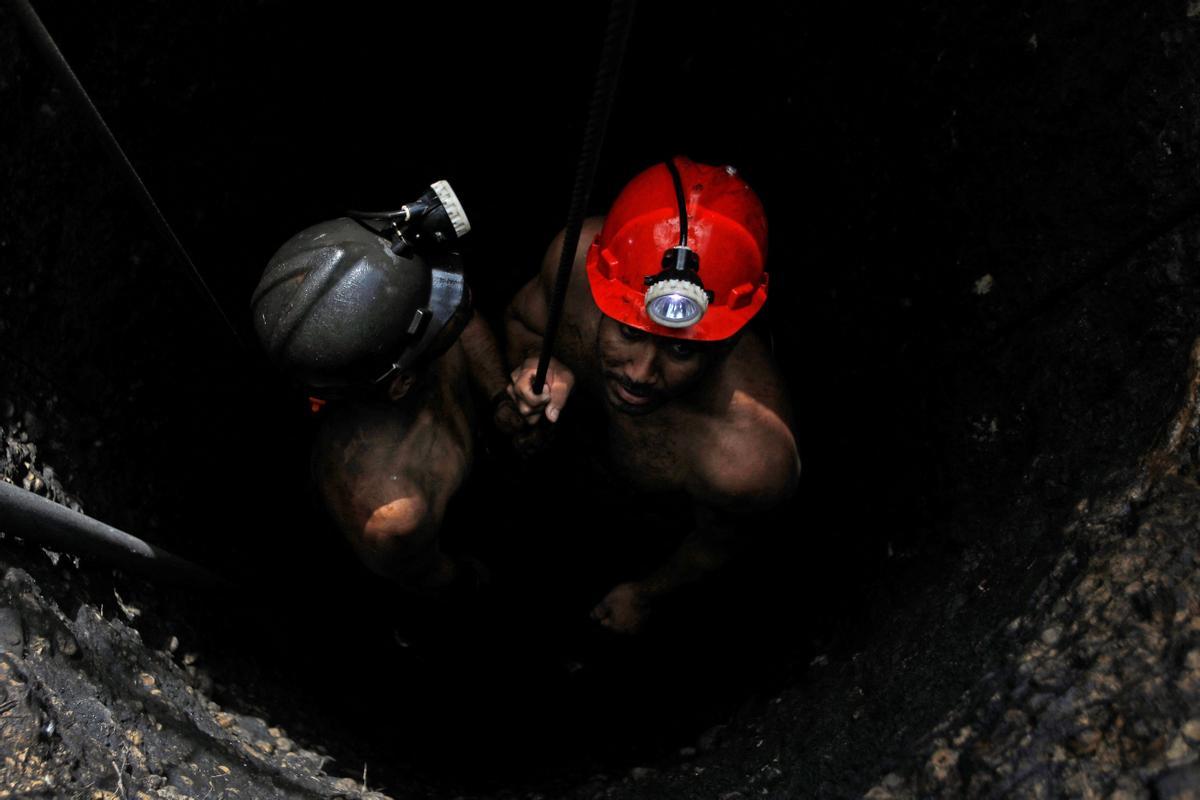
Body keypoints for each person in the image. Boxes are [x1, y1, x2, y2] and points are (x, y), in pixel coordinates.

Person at [505, 157, 800, 634]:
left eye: (682, 348)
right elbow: (520, 321)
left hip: (647, 523)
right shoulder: (576, 266)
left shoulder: (746, 458)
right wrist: (537, 363)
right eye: (629, 331)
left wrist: (648, 593)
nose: (641, 374)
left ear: (727, 340)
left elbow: (721, 540)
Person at [251, 182, 517, 599]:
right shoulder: (391, 511)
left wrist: (503, 397)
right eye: (442, 319)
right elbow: (429, 575)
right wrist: (471, 579)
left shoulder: (403, 310)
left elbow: (459, 311)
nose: (457, 304)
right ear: (400, 384)